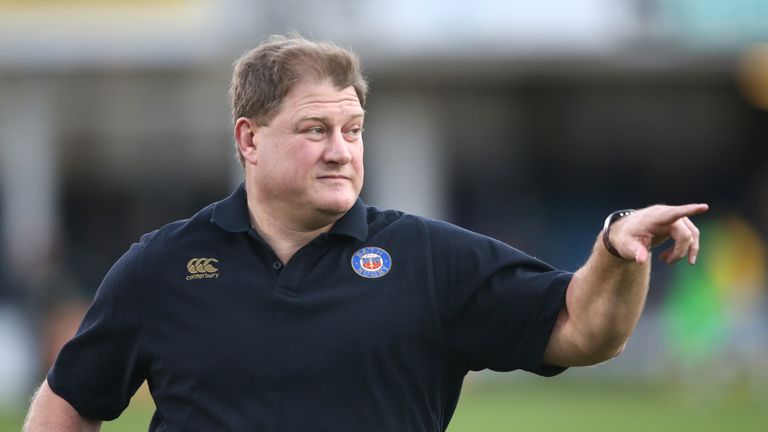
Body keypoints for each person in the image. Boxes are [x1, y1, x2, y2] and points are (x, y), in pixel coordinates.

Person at [23, 35, 708, 431]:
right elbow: (68, 401)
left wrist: (617, 248)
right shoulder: (164, 266)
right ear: (249, 141)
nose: (341, 151)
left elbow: (585, 332)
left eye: (352, 131)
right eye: (316, 130)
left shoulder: (431, 258)